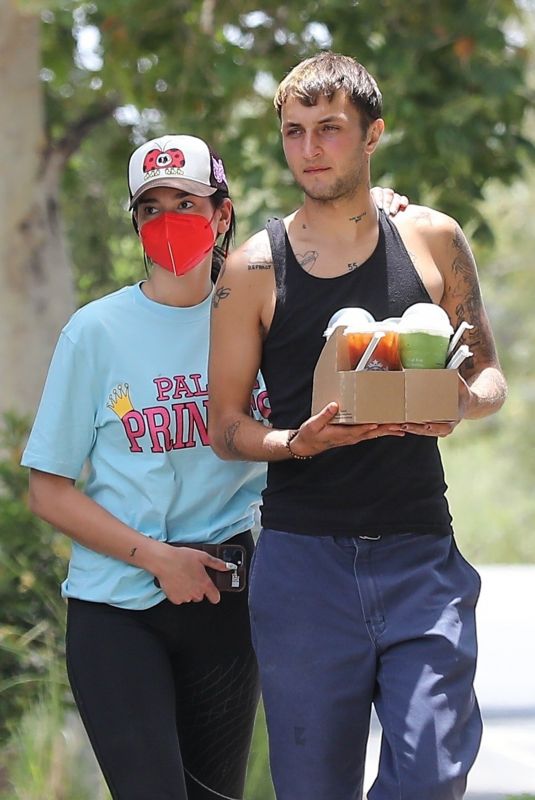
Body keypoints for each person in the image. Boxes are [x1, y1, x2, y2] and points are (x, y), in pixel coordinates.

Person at [20, 130, 403, 800]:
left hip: (229, 605)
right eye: (151, 207)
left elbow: (349, 284)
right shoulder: (94, 332)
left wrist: (378, 218)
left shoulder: (264, 320)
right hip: (119, 606)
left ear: (222, 214)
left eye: (186, 203)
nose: (168, 221)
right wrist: (155, 557)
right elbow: (48, 491)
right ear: (135, 222)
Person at [208, 53, 507, 800]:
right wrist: (294, 442)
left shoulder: (433, 239)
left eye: (329, 129)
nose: (309, 149)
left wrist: (459, 403)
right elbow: (224, 427)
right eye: (294, 132)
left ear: (372, 135)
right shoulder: (251, 270)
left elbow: (490, 376)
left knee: (432, 776)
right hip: (303, 568)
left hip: (420, 558)